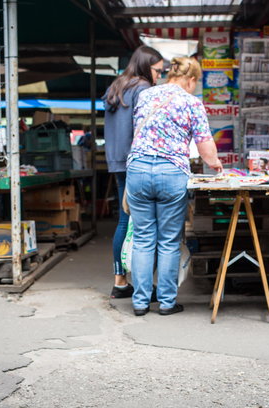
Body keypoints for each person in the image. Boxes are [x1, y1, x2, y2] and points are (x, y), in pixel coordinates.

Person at [126, 56, 223, 316]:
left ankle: (140, 302)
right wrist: (216, 165)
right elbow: (205, 146)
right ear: (190, 80)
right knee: (168, 241)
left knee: (143, 239)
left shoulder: (146, 96)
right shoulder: (191, 103)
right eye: (196, 83)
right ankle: (167, 303)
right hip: (171, 173)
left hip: (138, 170)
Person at [103, 45, 164, 299]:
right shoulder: (143, 90)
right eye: (157, 70)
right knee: (147, 226)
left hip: (118, 162)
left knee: (124, 220)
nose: (159, 76)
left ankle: (120, 281)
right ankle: (144, 285)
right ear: (144, 66)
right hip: (139, 163)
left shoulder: (116, 86)